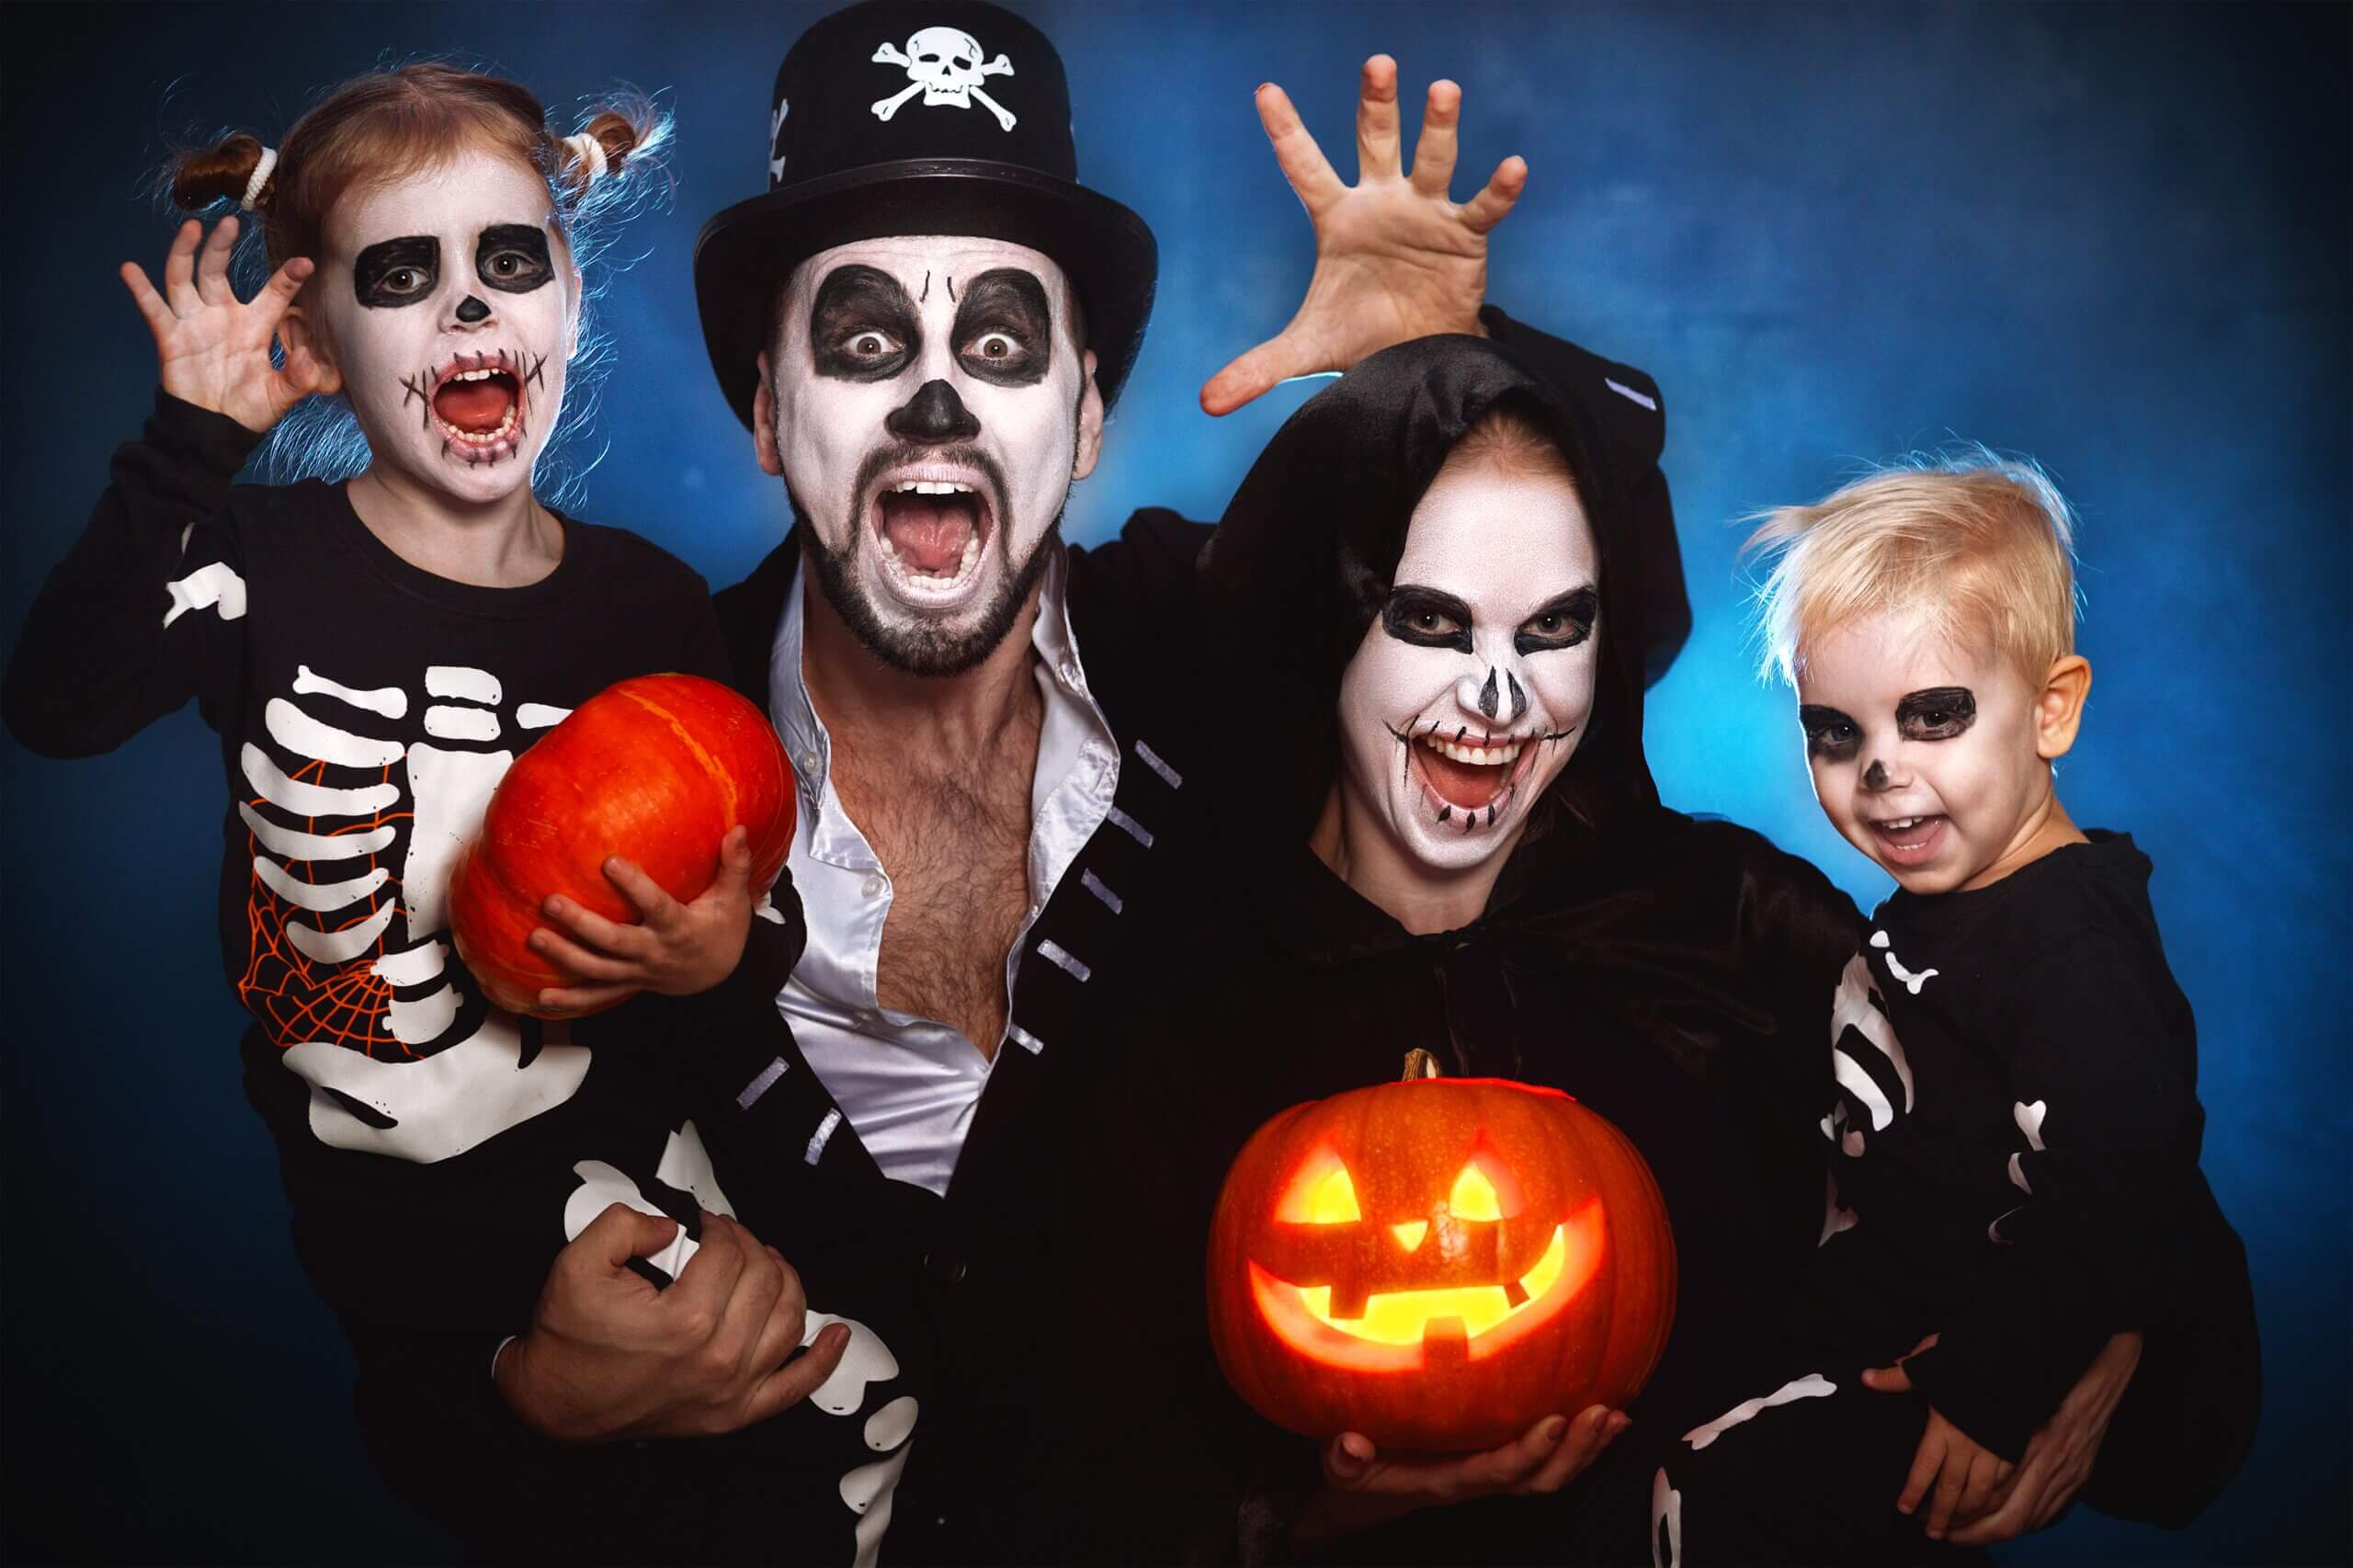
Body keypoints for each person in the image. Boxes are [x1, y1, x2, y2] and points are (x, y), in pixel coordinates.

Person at [492, 4, 1693, 1561]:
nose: (935, 399)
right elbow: (410, 1222)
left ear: (1087, 414)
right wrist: (521, 1393)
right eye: (863, 341)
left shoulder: (1242, 662)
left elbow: (1593, 665)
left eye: (999, 340)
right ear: (769, 412)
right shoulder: (610, 761)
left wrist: (1472, 365)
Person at [0, 62, 918, 1565]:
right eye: (402, 274)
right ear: (310, 330)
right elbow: (56, 703)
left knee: (861, 1383)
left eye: (511, 259)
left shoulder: (652, 606)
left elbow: (749, 893)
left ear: (567, 293)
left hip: (630, 1153)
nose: (468, 307)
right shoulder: (253, 560)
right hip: (403, 1230)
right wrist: (188, 444)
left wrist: (715, 963)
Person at [1139, 336, 2255, 1564]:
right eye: (1428, 618)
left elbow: (2114, 1163)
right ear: (1332, 618)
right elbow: (1060, 1465)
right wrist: (1301, 1527)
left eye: (1556, 624)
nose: (1498, 697)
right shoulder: (1181, 983)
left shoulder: (1735, 924)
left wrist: (2104, 1350)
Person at [1631, 458, 2259, 1562]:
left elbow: (2124, 1176)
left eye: (1932, 715)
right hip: (1919, 1306)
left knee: (1721, 1488)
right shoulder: (1959, 900)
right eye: (1836, 730)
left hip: (2018, 1355)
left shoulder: (2070, 942)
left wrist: (1988, 1385)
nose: (1879, 766)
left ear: (2050, 710)